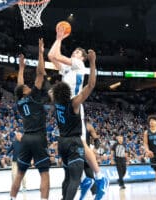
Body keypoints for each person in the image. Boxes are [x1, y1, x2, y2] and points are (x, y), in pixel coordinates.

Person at [48, 24, 109, 200]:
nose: (74, 54)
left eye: (77, 52)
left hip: (74, 104)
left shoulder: (78, 64)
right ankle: (86, 178)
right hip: (64, 105)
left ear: (81, 57)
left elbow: (57, 55)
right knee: (73, 143)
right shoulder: (68, 68)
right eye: (73, 52)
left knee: (80, 141)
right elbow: (52, 55)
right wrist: (58, 38)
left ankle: (99, 176)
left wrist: (60, 38)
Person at [11, 38, 50, 200]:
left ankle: (12, 198)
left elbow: (19, 85)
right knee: (44, 174)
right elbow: (40, 74)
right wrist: (41, 53)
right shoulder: (33, 96)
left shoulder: (19, 102)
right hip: (38, 137)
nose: (27, 86)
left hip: (26, 139)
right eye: (26, 87)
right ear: (25, 92)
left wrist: (21, 68)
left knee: (20, 173)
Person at [80, 122, 100, 199]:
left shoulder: (88, 126)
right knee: (72, 176)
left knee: (90, 175)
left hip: (86, 152)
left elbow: (97, 140)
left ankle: (95, 194)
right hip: (75, 152)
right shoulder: (71, 123)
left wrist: (95, 149)